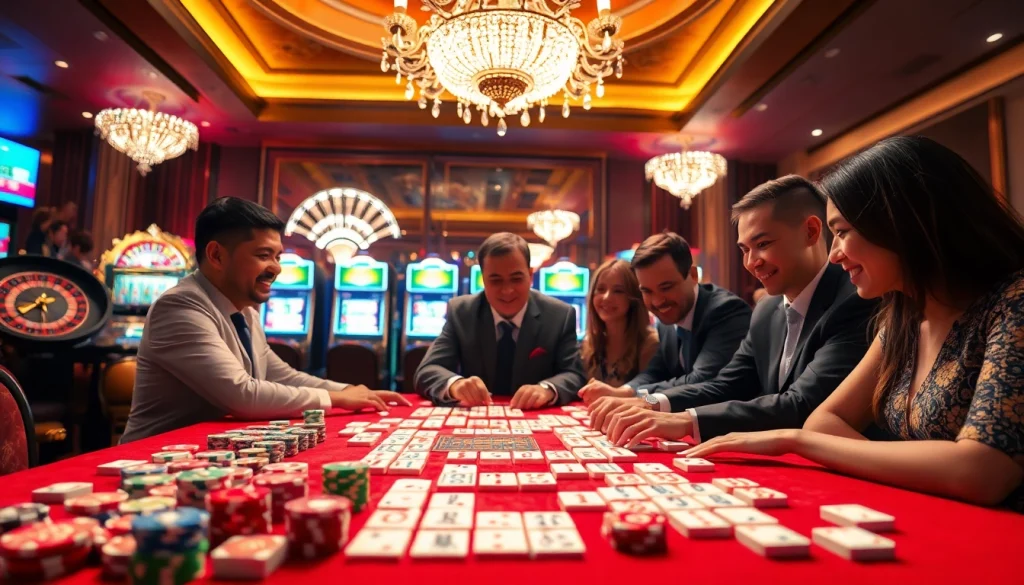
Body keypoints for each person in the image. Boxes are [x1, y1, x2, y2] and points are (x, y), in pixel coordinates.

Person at [677, 136, 1024, 511]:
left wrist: (796, 441)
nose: (835, 254)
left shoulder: (1013, 303)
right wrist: (919, 471)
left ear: (901, 222)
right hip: (933, 513)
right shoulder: (902, 319)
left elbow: (982, 470)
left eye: (842, 232)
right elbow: (824, 422)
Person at [593, 175, 877, 444]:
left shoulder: (855, 300)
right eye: (744, 250)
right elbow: (728, 385)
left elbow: (802, 404)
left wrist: (686, 421)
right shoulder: (766, 310)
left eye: (762, 244)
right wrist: (651, 403)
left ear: (811, 232)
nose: (752, 262)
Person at [121, 197, 409, 442]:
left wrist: (347, 390)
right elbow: (242, 394)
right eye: (264, 255)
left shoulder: (244, 311)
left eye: (278, 256)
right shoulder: (179, 306)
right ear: (217, 255)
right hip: (151, 461)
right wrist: (336, 400)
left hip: (207, 454)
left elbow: (278, 374)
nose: (276, 268)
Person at [576, 232, 751, 410]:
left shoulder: (725, 311)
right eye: (647, 291)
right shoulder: (665, 320)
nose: (658, 301)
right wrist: (622, 391)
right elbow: (655, 372)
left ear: (693, 276)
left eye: (666, 287)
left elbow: (701, 380)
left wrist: (641, 399)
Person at [415, 232, 586, 409]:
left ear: (530, 276)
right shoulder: (462, 312)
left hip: (534, 416)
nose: (507, 290)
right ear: (483, 279)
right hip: (479, 417)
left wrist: (547, 389)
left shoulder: (559, 315)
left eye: (516, 279)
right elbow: (427, 371)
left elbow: (575, 374)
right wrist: (455, 385)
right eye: (496, 280)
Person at [580, 259, 659, 387]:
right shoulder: (589, 344)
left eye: (618, 291)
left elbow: (650, 393)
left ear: (633, 297)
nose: (606, 297)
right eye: (600, 289)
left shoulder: (650, 344)